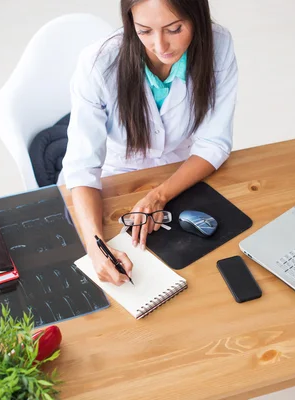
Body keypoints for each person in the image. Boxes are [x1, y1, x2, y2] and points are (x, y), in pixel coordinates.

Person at [62, 0, 238, 286]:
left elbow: (213, 143)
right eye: (144, 31)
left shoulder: (218, 44)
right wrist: (96, 247)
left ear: (197, 17)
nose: (161, 45)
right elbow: (83, 167)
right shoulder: (97, 63)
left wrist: (158, 196)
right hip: (116, 175)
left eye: (174, 29)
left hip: (182, 172)